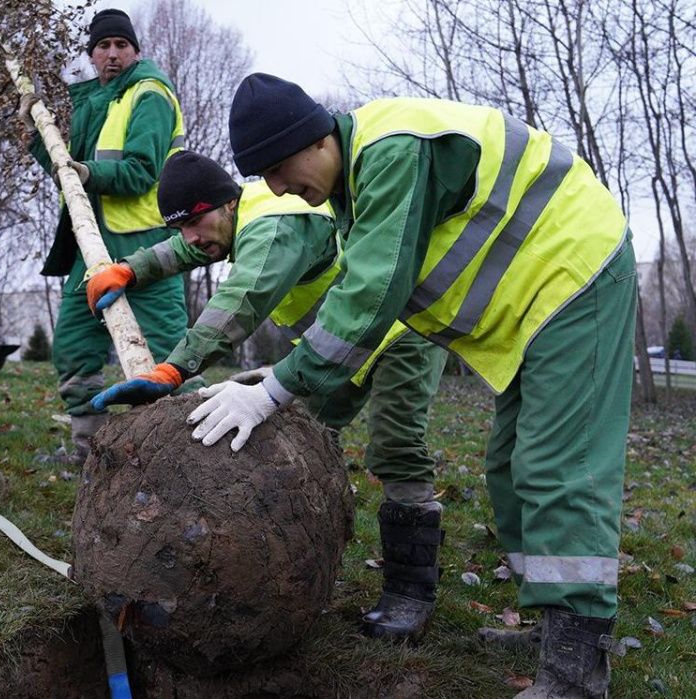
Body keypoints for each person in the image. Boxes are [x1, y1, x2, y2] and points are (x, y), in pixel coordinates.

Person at [187, 74, 634, 697]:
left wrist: (273, 395)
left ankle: (576, 669)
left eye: (279, 169)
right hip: (534, 307)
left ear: (316, 139)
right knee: (509, 468)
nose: (281, 188)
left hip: (574, 276)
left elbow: (370, 297)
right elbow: (368, 309)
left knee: (557, 467)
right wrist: (283, 376)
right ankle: (558, 624)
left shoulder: (393, 150)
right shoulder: (355, 186)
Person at [86, 150, 449, 641]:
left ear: (227, 205)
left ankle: (410, 594)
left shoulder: (276, 226)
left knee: (394, 446)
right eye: (181, 226)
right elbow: (183, 249)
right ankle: (309, 547)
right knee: (310, 441)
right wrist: (128, 270)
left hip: (399, 332)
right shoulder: (226, 223)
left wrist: (177, 366)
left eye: (195, 222)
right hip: (334, 349)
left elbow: (244, 297)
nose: (191, 236)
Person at [19, 8, 190, 464]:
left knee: (168, 354)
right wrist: (38, 132)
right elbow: (70, 171)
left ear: (136, 50)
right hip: (89, 248)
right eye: (102, 46)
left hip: (144, 245)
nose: (111, 54)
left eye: (120, 45)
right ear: (91, 55)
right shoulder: (98, 101)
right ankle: (88, 452)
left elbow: (140, 170)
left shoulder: (149, 95)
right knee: (74, 347)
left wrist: (86, 171)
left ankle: (187, 452)